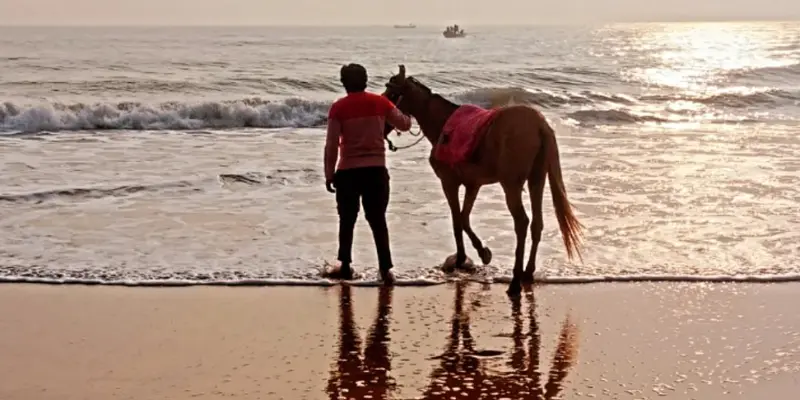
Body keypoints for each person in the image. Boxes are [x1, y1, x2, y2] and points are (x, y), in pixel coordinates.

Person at [324, 63, 412, 283]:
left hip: (348, 172)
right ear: (365, 81)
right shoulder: (380, 103)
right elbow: (404, 125)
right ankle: (385, 269)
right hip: (376, 171)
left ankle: (345, 266)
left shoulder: (338, 108)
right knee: (378, 220)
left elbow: (332, 144)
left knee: (347, 220)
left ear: (344, 83)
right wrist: (407, 108)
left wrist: (329, 174)